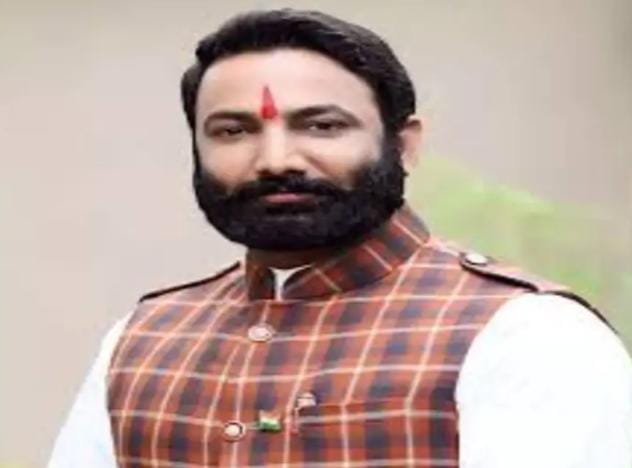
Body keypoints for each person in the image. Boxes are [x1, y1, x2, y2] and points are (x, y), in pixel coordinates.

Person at [49, 8, 632, 468]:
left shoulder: (526, 334)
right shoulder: (143, 339)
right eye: (233, 131)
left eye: (322, 126)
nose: (276, 160)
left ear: (403, 146)